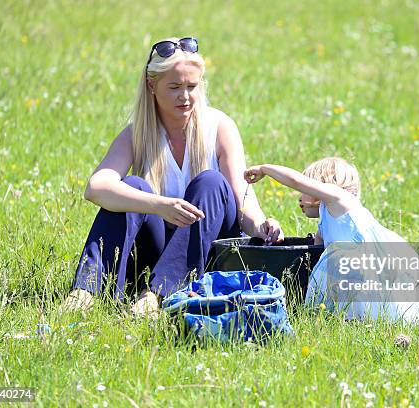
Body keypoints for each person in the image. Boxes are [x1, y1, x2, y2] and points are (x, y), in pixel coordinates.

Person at [61, 37, 283, 317]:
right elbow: (96, 187)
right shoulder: (137, 133)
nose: (186, 96)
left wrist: (261, 226)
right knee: (130, 187)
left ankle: (158, 295)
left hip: (207, 253)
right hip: (154, 252)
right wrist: (158, 204)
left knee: (211, 182)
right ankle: (85, 291)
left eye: (192, 86)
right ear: (152, 85)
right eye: (175, 87)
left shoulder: (219, 126)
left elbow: (242, 202)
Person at [244, 157, 419, 323]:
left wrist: (265, 169)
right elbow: (311, 252)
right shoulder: (324, 218)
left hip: (372, 266)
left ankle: (376, 320)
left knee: (383, 305)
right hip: (355, 271)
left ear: (321, 188)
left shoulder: (338, 200)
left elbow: (294, 180)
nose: (299, 198)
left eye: (305, 190)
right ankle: (353, 320)